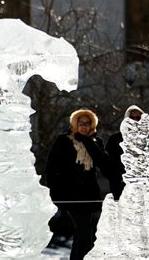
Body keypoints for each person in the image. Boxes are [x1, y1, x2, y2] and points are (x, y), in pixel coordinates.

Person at [45, 109, 113, 260]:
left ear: (92, 125)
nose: (84, 126)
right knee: (83, 232)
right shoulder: (63, 140)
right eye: (81, 123)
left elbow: (105, 166)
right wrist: (55, 193)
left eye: (87, 123)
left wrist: (89, 143)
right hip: (69, 195)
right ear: (75, 124)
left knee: (85, 234)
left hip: (89, 196)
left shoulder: (96, 142)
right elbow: (51, 168)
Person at [105, 105, 144, 201]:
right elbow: (108, 165)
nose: (135, 120)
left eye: (138, 118)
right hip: (120, 189)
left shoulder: (147, 140)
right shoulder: (115, 139)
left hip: (141, 190)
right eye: (132, 118)